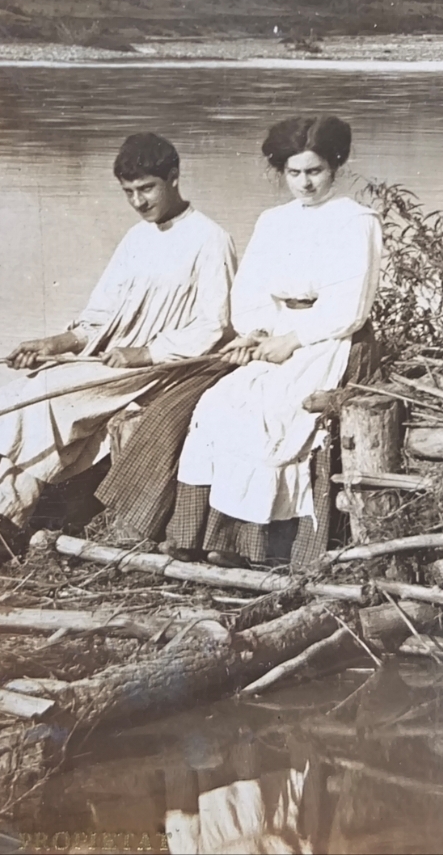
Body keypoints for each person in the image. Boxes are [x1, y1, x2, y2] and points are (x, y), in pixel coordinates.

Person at [0, 133, 236, 561]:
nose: (138, 201)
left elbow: (214, 325)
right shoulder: (136, 238)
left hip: (161, 368)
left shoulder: (210, 239)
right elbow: (99, 315)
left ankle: (0, 524)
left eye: (147, 188)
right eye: (128, 192)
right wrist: (55, 342)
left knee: (44, 398)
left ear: (173, 177)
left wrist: (146, 353)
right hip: (109, 360)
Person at [159, 114, 382, 568]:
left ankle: (259, 547)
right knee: (220, 402)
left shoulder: (356, 221)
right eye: (294, 172)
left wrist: (292, 341)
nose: (305, 183)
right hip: (277, 333)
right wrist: (257, 332)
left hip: (330, 339)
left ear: (336, 166)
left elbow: (349, 306)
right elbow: (251, 289)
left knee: (277, 415)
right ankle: (203, 536)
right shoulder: (273, 220)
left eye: (315, 171)